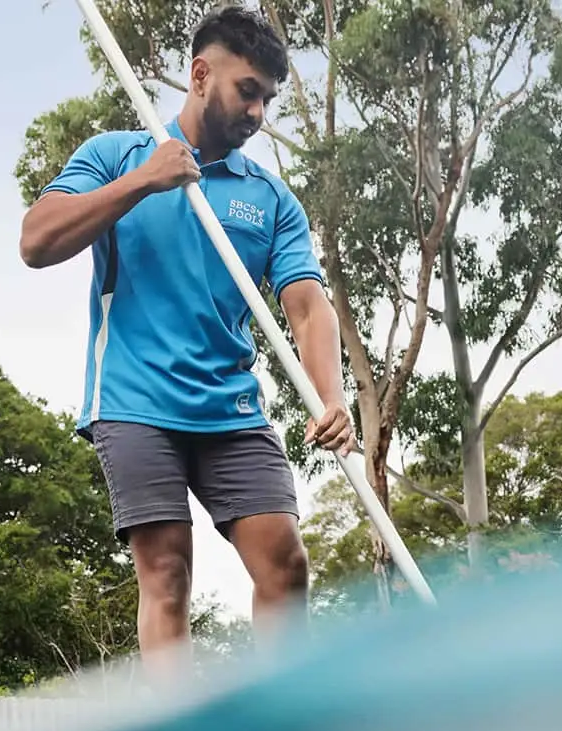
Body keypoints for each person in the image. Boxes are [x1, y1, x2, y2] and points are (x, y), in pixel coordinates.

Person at [18, 5, 353, 670]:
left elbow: (308, 306)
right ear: (201, 75)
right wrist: (145, 180)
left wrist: (329, 395)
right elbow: (36, 239)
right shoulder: (117, 155)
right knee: (167, 568)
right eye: (246, 91)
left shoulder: (272, 200)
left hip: (229, 407)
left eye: (267, 99)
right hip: (136, 401)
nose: (258, 112)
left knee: (285, 563)